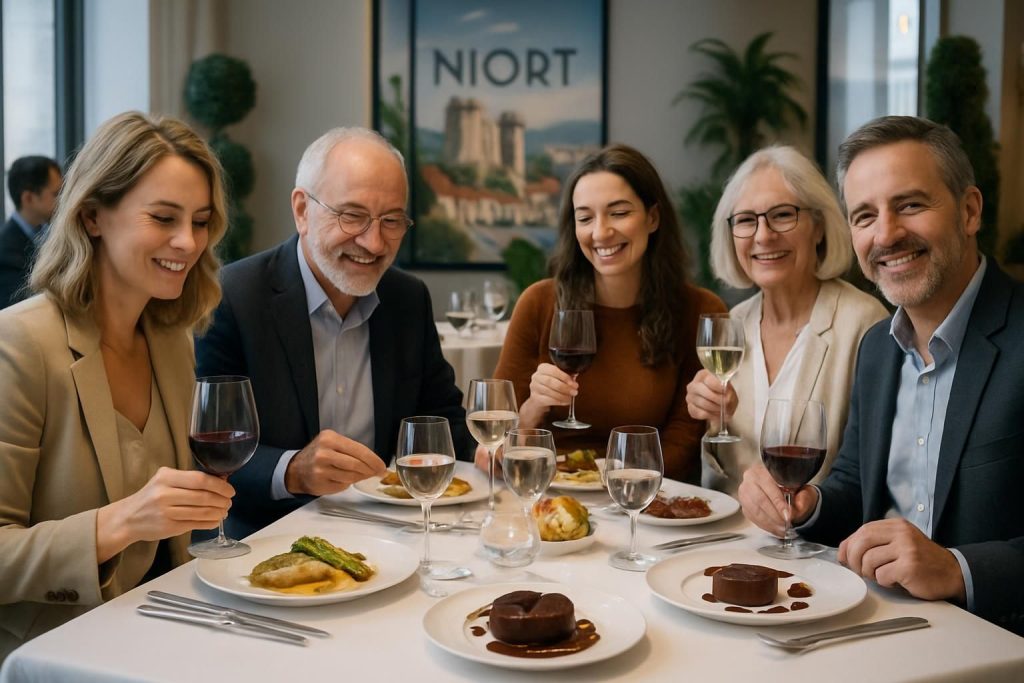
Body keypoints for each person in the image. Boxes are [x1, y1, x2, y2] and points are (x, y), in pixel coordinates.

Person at [738, 116, 1024, 636]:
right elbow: (854, 486)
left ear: (969, 210)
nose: (886, 234)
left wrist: (958, 568)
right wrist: (807, 505)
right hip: (871, 624)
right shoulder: (878, 348)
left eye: (910, 204)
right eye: (865, 215)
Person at [0, 112, 235, 661]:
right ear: (91, 217)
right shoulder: (20, 344)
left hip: (165, 633)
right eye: (163, 217)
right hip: (57, 654)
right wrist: (121, 522)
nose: (188, 242)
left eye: (200, 221)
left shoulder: (172, 340)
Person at [195, 127, 470, 538]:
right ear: (302, 210)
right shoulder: (231, 296)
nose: (374, 243)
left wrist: (493, 451)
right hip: (264, 541)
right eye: (352, 216)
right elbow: (205, 451)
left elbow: (443, 422)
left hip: (392, 536)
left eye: (391, 220)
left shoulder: (407, 299)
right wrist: (292, 470)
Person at [490, 143, 726, 482]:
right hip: (551, 496)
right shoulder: (538, 303)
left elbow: (682, 443)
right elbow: (493, 447)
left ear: (653, 217)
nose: (600, 232)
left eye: (618, 213)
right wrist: (532, 409)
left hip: (649, 500)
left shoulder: (700, 311)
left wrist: (610, 486)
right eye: (585, 218)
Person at [685, 146, 887, 494]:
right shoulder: (734, 323)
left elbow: (874, 475)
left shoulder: (866, 324)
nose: (763, 236)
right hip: (734, 540)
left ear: (819, 228)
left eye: (781, 215)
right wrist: (714, 421)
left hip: (822, 543)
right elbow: (721, 486)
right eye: (747, 220)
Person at [1, 155, 62, 308]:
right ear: (28, 198)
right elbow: (22, 308)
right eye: (56, 194)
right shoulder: (5, 252)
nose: (62, 200)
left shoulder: (49, 234)